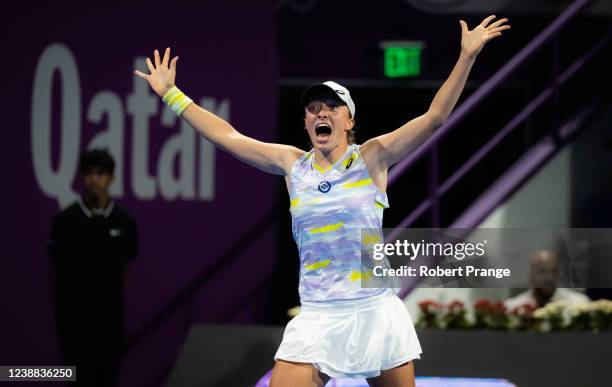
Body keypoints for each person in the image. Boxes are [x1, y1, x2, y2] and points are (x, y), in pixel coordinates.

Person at [135, 14, 510, 387]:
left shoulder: (372, 157)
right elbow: (228, 137)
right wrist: (172, 94)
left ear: (349, 122)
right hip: (317, 315)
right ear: (306, 123)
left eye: (332, 107)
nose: (321, 112)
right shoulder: (291, 165)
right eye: (314, 108)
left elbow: (435, 117)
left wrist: (467, 57)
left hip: (373, 310)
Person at [48, 149, 139, 387]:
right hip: (74, 314)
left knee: (108, 375)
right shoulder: (66, 220)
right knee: (77, 375)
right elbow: (54, 266)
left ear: (111, 178)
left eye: (100, 174)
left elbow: (125, 268)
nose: (94, 180)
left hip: (110, 313)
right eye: (88, 174)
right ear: (81, 178)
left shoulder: (124, 221)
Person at [505, 250, 590, 311]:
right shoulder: (513, 307)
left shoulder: (579, 304)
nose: (548, 277)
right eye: (542, 271)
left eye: (553, 271)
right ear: (530, 275)